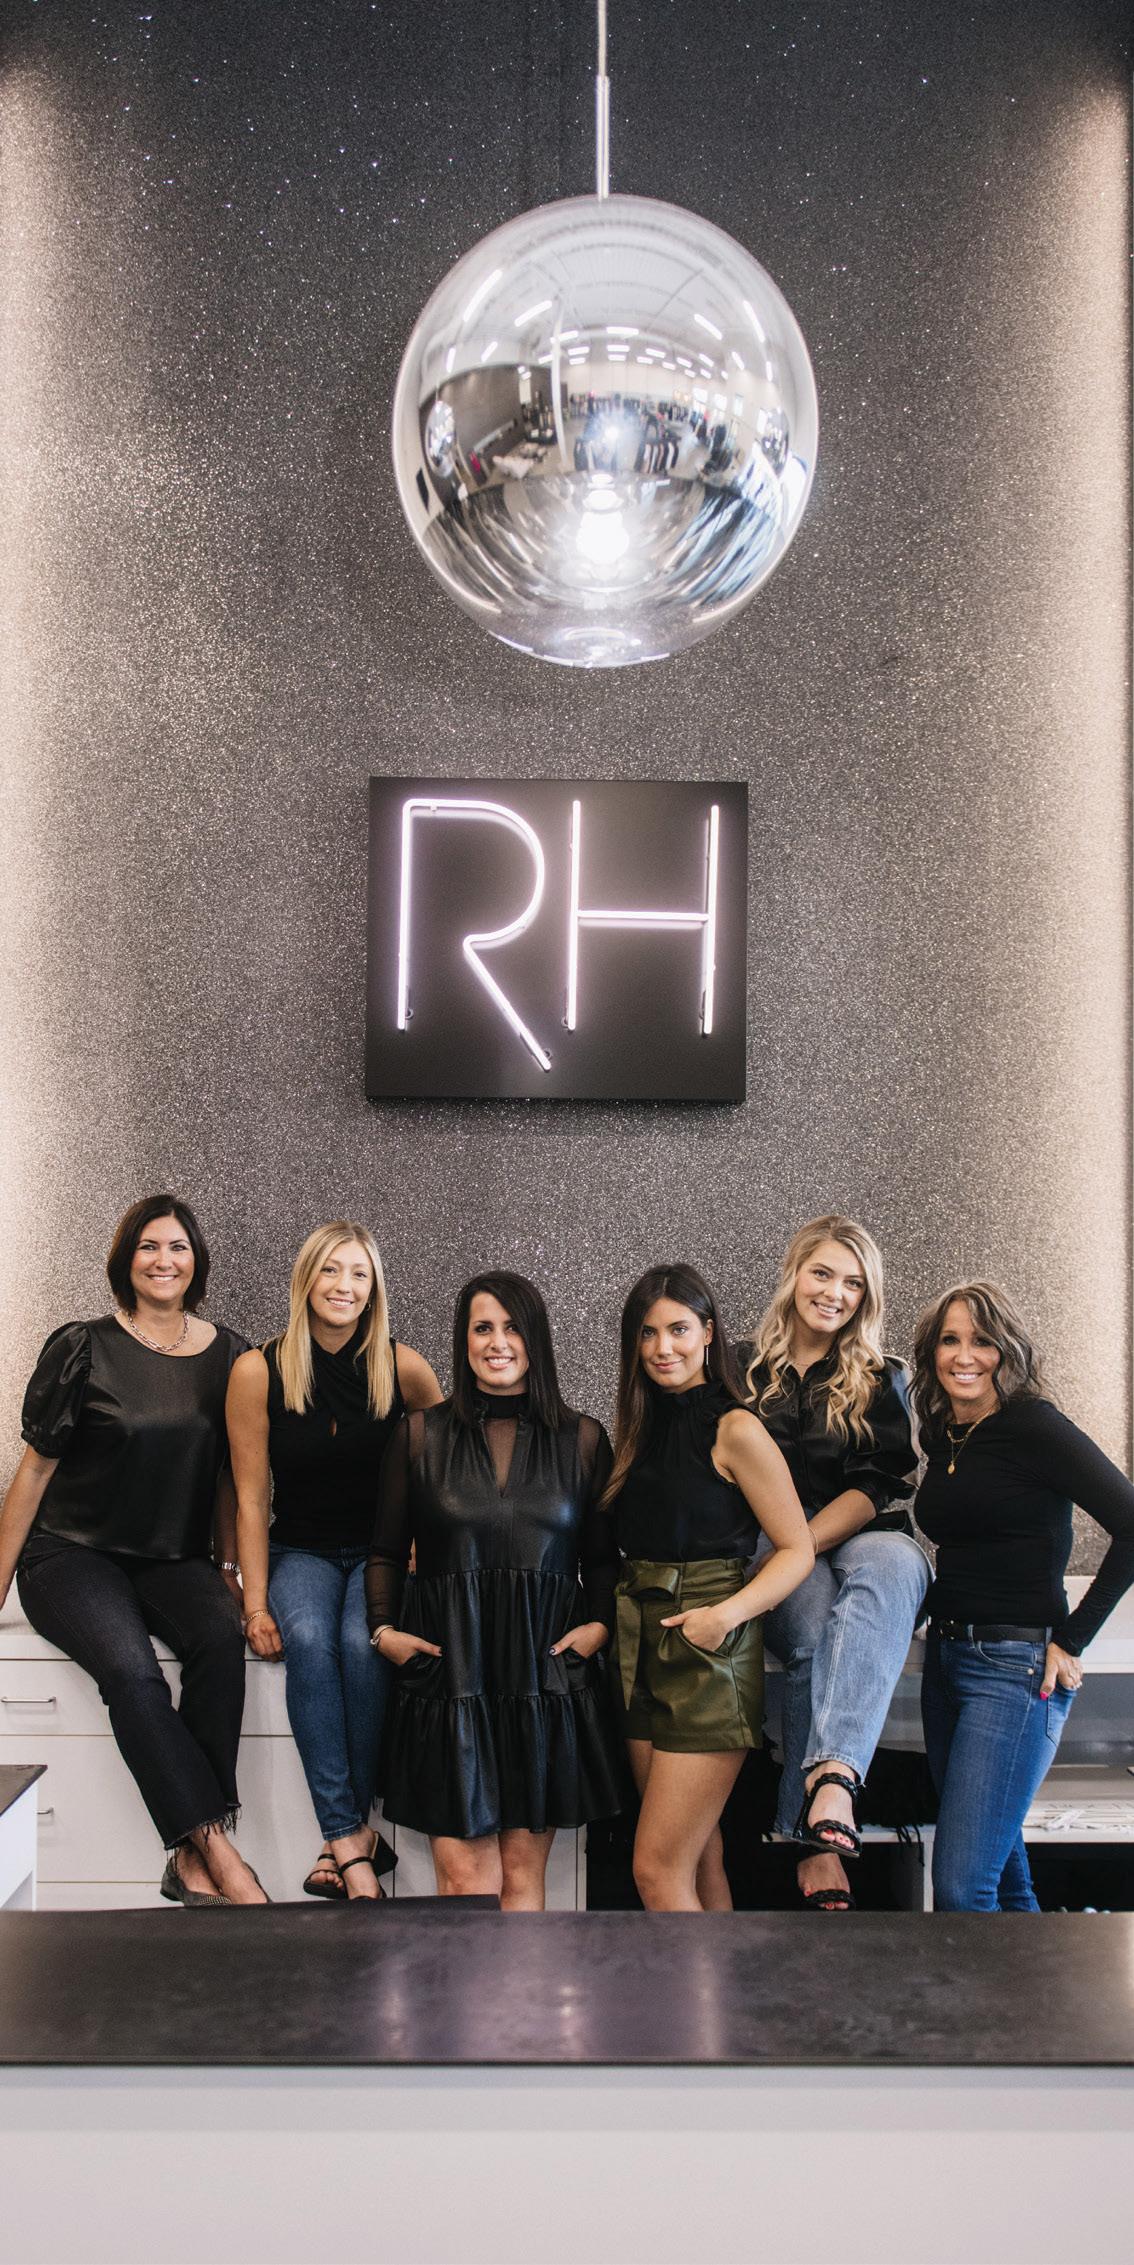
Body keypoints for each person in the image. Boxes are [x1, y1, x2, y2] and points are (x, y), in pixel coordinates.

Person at [0, 1194, 266, 1906]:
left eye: (178, 1246)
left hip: (172, 1559)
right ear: (126, 1259)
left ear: (196, 1260)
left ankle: (189, 1856)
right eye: (149, 1246)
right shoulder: (83, 1346)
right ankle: (216, 1851)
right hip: (70, 1554)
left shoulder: (233, 1355)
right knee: (133, 1673)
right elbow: (34, 1472)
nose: (163, 1260)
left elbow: (229, 1477)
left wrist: (231, 1571)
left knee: (219, 1640)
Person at [365, 1271, 623, 1910]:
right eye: (483, 1328)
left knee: (523, 1881)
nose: (498, 1343)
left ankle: (520, 1989)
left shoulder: (583, 1439)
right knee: (465, 1886)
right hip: (450, 1678)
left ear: (537, 1339)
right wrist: (384, 1631)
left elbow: (602, 1559)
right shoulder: (419, 1435)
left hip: (542, 1680)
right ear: (464, 1339)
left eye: (513, 1328)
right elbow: (386, 1552)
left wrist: (598, 1627)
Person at [227, 1221, 442, 1901]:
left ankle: (341, 1842)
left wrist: (424, 1543)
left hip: (380, 1555)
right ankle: (353, 1839)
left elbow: (447, 1468)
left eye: (358, 1273)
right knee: (310, 1637)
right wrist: (254, 1604)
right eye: (330, 1269)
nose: (343, 1286)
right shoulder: (257, 1369)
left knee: (361, 1641)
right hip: (301, 1551)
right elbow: (251, 1496)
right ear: (306, 1279)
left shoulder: (402, 1366)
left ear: (374, 1288)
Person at [913, 1280, 1134, 1912]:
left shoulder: (1035, 1426)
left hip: (1014, 1672)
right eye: (950, 1340)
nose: (964, 1356)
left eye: (982, 1341)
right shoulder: (945, 1432)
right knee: (1005, 1884)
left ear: (1007, 1349)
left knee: (962, 1888)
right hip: (946, 1663)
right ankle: (1032, 1981)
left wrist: (1072, 1639)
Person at [605, 1263, 814, 1913]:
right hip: (639, 1643)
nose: (662, 1347)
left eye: (677, 1329)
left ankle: (685, 1991)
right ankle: (714, 1984)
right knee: (698, 1857)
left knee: (655, 1870)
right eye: (647, 1333)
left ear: (708, 1333)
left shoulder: (736, 1427)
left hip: (707, 1650)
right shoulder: (639, 1426)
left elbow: (797, 1549)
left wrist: (724, 1616)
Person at [740, 1215, 927, 1910]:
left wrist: (803, 1546)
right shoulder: (738, 1369)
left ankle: (834, 1782)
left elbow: (875, 1486)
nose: (835, 1293)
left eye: (853, 1283)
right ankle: (817, 1839)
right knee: (817, 1628)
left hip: (855, 1531)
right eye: (823, 1273)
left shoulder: (883, 1376)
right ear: (794, 1274)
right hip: (770, 1541)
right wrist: (789, 1554)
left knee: (893, 1564)